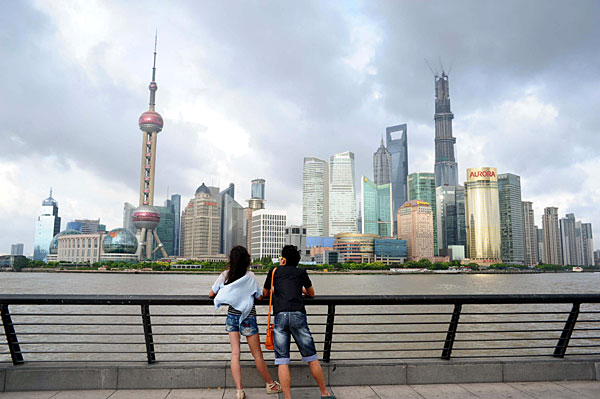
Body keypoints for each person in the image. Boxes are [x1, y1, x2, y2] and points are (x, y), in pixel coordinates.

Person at [263, 245, 335, 399]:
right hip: (298, 314)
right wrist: (299, 288)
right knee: (311, 357)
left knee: (282, 360)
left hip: (280, 316)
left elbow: (265, 293)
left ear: (283, 259)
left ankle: (288, 397)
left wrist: (278, 289)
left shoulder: (274, 271)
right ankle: (324, 393)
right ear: (297, 260)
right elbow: (311, 293)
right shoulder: (301, 272)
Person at [209, 246, 282, 399]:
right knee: (257, 355)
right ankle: (270, 384)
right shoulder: (250, 276)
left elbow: (211, 294)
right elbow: (260, 296)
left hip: (232, 316)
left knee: (235, 354)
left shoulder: (225, 275)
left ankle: (239, 390)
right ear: (247, 260)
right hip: (248, 317)